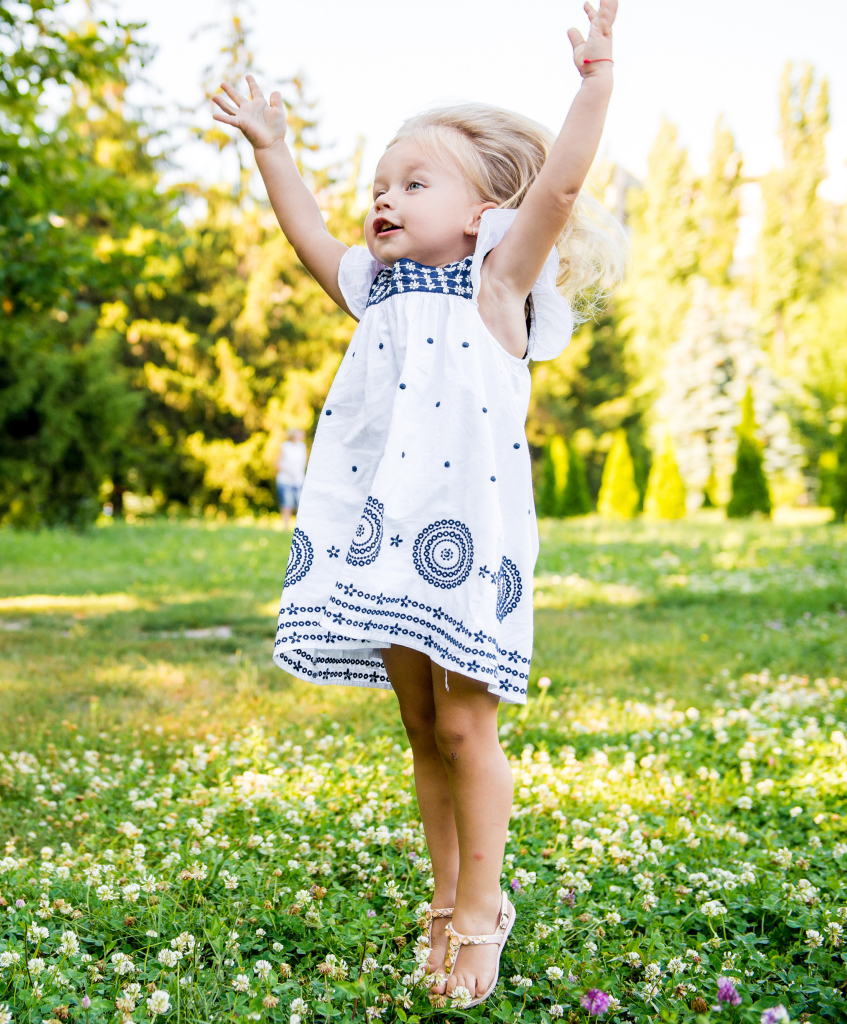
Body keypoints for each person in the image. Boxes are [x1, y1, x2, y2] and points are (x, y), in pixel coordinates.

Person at [213, 1, 624, 1009]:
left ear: (485, 209)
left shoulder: (496, 286)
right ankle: (441, 903)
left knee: (462, 729)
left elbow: (561, 183)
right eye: (378, 186)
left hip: (462, 541)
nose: (381, 201)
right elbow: (306, 230)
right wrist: (272, 146)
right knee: (415, 721)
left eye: (412, 183)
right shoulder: (374, 289)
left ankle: (482, 912)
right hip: (379, 534)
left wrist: (595, 81)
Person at [275, 428, 308, 529]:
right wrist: (289, 471)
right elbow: (276, 463)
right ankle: (286, 527)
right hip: (285, 480)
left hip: (299, 480)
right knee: (287, 504)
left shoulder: (302, 447)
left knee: (301, 505)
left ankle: (300, 527)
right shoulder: (285, 446)